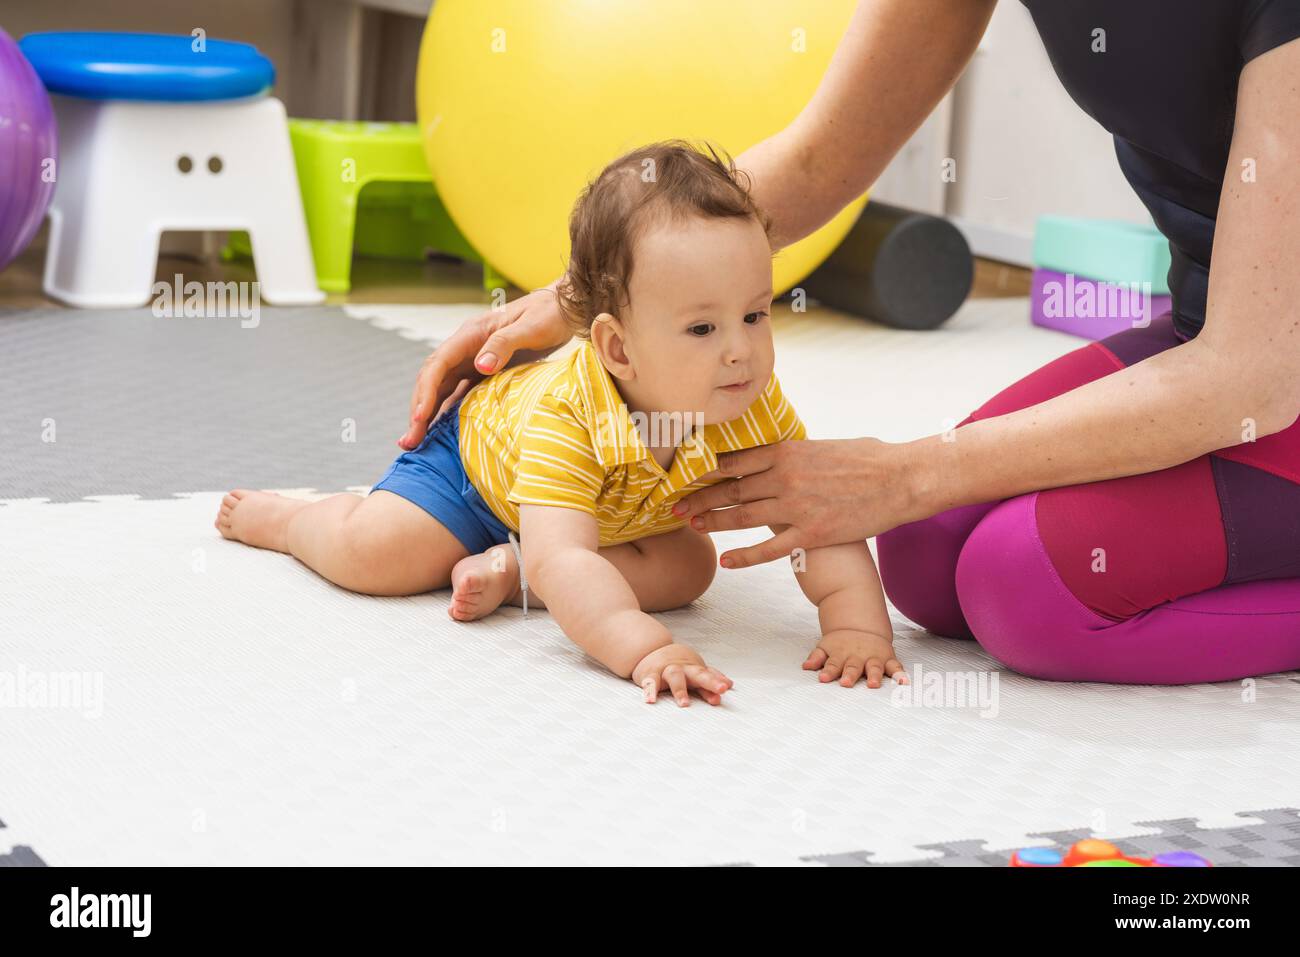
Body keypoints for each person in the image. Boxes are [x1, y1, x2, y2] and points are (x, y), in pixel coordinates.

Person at [399, 0, 1300, 685]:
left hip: (1263, 363)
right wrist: (582, 295)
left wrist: (905, 469)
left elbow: (1249, 374)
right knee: (921, 552)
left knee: (1026, 588)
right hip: (1212, 324)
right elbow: (823, 158)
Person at [218, 142, 904, 707]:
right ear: (617, 349)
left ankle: (518, 570)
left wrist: (856, 626)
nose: (740, 349)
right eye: (702, 327)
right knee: (376, 554)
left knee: (691, 566)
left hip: (607, 518)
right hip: (477, 477)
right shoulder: (570, 414)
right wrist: (644, 646)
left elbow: (810, 513)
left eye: (755, 315)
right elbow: (568, 558)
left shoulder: (747, 396)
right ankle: (287, 522)